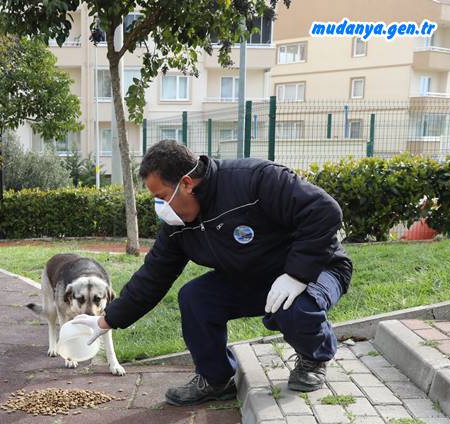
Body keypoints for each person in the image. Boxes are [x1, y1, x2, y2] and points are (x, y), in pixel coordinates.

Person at [72, 140, 353, 406]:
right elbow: (153, 276)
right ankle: (216, 378)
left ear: (186, 183)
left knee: (293, 307)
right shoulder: (178, 224)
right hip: (255, 276)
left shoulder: (254, 180)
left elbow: (324, 211)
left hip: (318, 267)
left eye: (161, 197)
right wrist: (107, 320)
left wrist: (297, 274)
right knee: (196, 298)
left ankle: (314, 358)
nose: (160, 207)